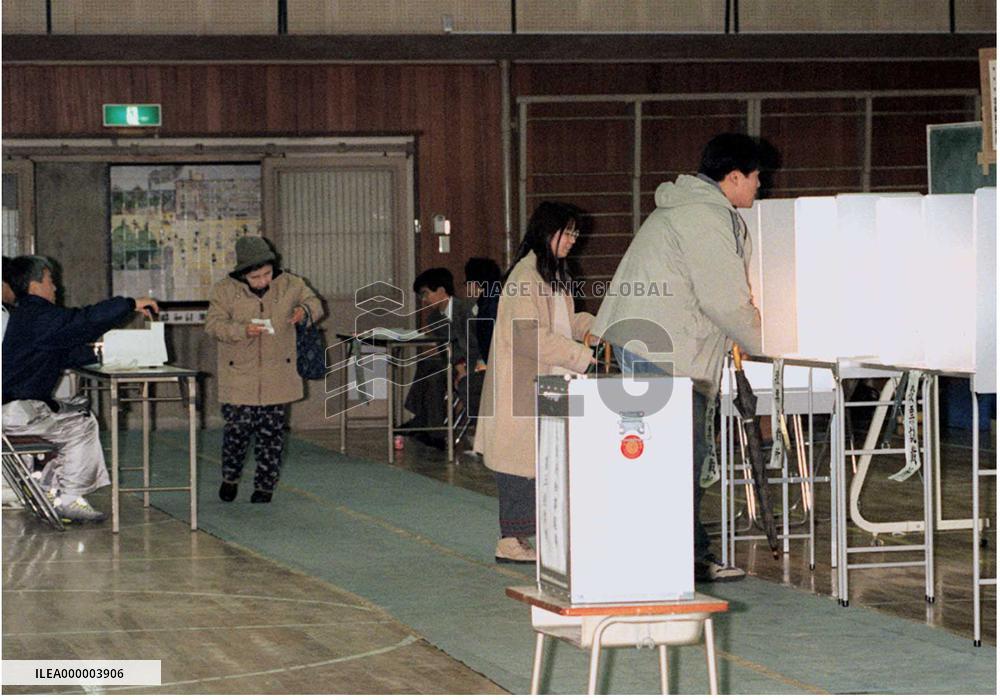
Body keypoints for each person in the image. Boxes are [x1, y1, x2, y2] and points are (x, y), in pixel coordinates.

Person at [590, 133, 764, 583]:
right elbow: (724, 300)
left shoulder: (687, 208)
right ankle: (681, 558)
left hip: (649, 344)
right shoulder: (705, 216)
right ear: (734, 177)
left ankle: (676, 553)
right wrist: (772, 342)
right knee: (679, 455)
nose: (759, 185)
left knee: (664, 455)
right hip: (665, 350)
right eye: (755, 176)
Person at [474, 202, 597, 564]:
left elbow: (563, 322)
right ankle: (511, 539)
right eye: (567, 232)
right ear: (547, 232)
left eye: (576, 233)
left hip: (549, 381)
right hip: (522, 384)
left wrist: (594, 327)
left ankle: (540, 535)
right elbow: (529, 337)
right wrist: (582, 356)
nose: (573, 240)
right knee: (519, 466)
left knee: (545, 462)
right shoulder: (525, 277)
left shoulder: (551, 273)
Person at [1, 255, 159, 522]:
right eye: (51, 281)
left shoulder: (26, 317)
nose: (56, 287)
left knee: (71, 412)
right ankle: (69, 498)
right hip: (14, 413)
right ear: (35, 285)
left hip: (15, 408)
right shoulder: (40, 316)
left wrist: (105, 354)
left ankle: (51, 490)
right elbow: (84, 321)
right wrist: (129, 304)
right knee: (81, 423)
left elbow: (65, 353)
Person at [205, 236, 322, 504]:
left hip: (278, 374)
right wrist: (241, 330)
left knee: (272, 436)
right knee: (237, 432)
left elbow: (316, 305)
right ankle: (230, 477)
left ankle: (265, 486)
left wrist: (304, 311)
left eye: (267, 274)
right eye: (255, 277)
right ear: (242, 274)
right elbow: (213, 325)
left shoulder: (292, 284)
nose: (262, 281)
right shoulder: (224, 290)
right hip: (239, 375)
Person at [401, 267, 480, 449]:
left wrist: (461, 367)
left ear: (441, 291)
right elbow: (442, 347)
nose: (424, 299)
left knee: (435, 375)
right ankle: (423, 420)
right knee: (426, 364)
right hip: (452, 361)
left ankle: (433, 431)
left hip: (471, 363)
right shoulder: (433, 318)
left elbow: (472, 345)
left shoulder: (465, 310)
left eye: (426, 294)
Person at [463, 257, 502, 419]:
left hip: (497, 368)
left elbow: (488, 341)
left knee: (468, 386)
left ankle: (483, 426)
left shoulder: (488, 305)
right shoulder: (494, 298)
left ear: (475, 282)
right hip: (495, 364)